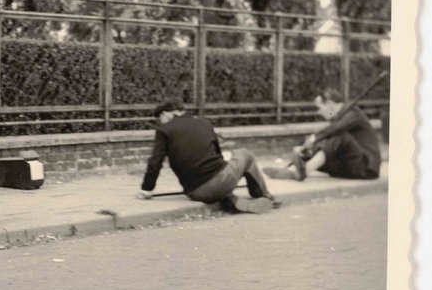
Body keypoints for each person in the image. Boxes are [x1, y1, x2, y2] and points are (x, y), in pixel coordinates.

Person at [137, 98, 278, 214]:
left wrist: (147, 190)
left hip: (196, 192)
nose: (160, 122)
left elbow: (155, 162)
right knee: (245, 154)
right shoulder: (203, 123)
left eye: (159, 118)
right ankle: (264, 196)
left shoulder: (164, 130)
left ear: (166, 114)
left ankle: (232, 201)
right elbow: (217, 153)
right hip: (221, 181)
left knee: (217, 184)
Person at [263, 88, 381, 181]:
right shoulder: (339, 117)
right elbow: (331, 127)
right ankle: (292, 170)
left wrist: (314, 138)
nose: (318, 112)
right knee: (310, 148)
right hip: (349, 166)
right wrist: (307, 147)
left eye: (319, 107)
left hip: (366, 167)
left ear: (329, 103)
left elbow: (336, 128)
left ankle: (304, 171)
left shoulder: (353, 113)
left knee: (338, 136)